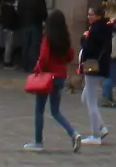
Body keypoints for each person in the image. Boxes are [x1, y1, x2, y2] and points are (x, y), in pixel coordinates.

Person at [23, 9, 81, 153]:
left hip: (47, 77)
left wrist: (38, 69)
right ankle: (73, 133)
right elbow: (70, 56)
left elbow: (43, 58)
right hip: (60, 77)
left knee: (39, 109)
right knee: (55, 111)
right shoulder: (64, 39)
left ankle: (38, 141)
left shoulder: (48, 38)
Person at [77, 6, 112, 145]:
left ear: (98, 16)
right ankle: (101, 127)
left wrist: (84, 40)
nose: (89, 17)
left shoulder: (97, 29)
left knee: (91, 102)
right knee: (85, 97)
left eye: (91, 14)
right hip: (100, 66)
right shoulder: (104, 28)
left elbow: (89, 47)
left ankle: (95, 135)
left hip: (93, 66)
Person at [15, 0, 47, 71]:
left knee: (25, 46)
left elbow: (19, 11)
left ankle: (25, 65)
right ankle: (33, 66)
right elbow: (43, 12)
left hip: (24, 24)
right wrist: (45, 21)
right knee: (34, 46)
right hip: (36, 24)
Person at [0, 0, 20, 67]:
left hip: (4, 27)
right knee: (9, 45)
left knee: (6, 45)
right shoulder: (10, 9)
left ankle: (6, 60)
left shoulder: (3, 7)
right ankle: (7, 62)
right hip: (10, 28)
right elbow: (13, 18)